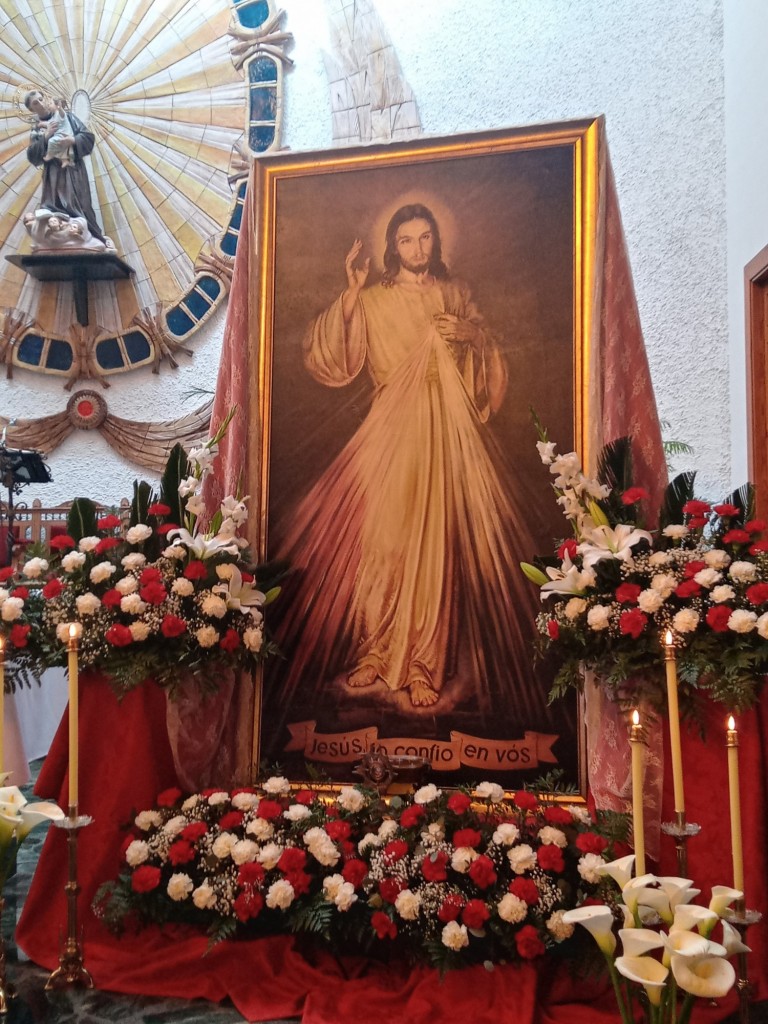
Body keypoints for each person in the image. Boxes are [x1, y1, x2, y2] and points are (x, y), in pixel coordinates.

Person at [271, 202, 547, 722]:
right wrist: (352, 292)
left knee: (435, 548)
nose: (417, 250)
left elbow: (487, 358)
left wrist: (474, 338)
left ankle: (423, 662)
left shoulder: (456, 294)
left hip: (442, 436)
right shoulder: (373, 299)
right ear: (391, 247)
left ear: (435, 243)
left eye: (425, 239)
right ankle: (375, 649)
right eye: (406, 241)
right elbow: (331, 359)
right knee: (384, 542)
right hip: (388, 434)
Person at [23, 90, 106, 242]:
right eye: (35, 103)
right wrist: (46, 136)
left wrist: (72, 141)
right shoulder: (37, 129)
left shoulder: (67, 117)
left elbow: (87, 137)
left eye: (41, 99)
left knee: (83, 206)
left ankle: (90, 237)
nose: (40, 103)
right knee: (54, 207)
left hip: (74, 169)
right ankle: (58, 231)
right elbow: (33, 156)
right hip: (53, 173)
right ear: (31, 109)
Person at [22, 207, 110, 251]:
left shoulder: (66, 222)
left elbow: (81, 221)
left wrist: (77, 227)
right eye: (28, 221)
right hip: (63, 245)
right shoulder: (44, 231)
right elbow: (38, 240)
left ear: (60, 222)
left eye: (54, 221)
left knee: (99, 245)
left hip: (76, 240)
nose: (52, 222)